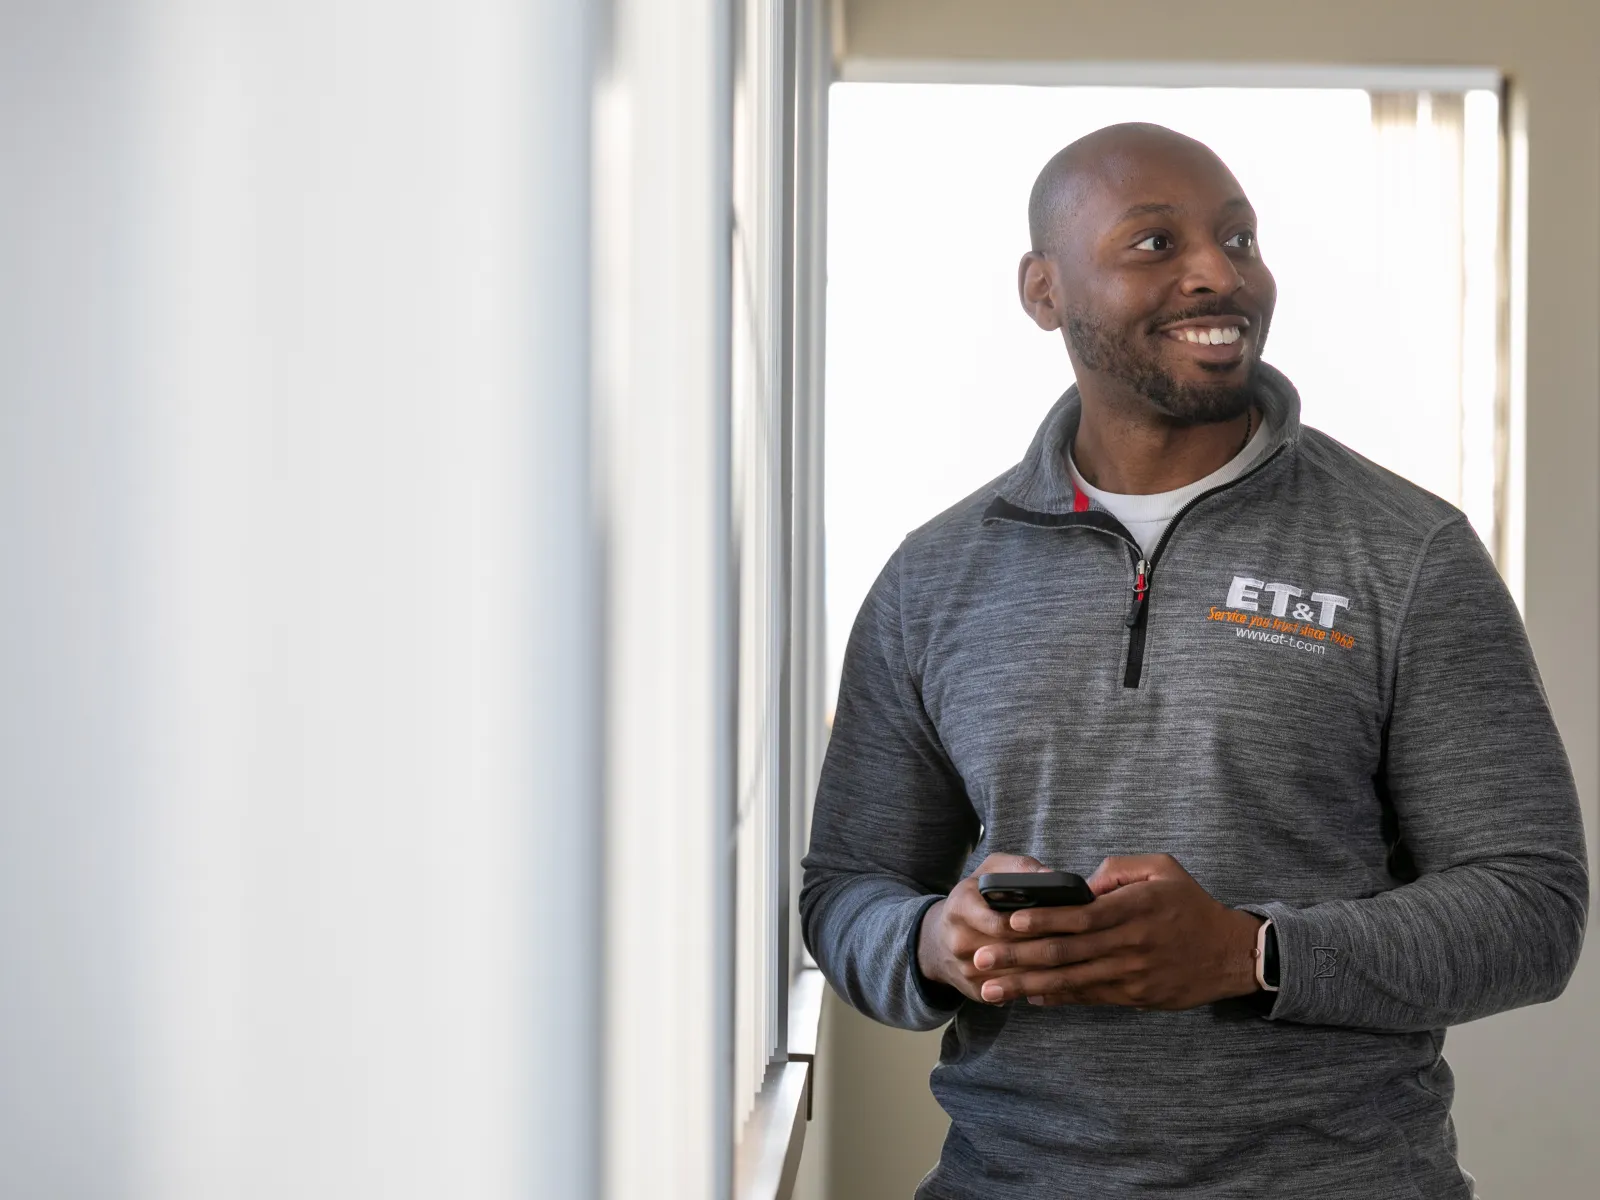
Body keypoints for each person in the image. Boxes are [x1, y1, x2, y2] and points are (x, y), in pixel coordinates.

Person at [799, 122, 1589, 1199]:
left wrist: (1248, 954)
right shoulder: (934, 578)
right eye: (1153, 244)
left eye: (1238, 239)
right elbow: (846, 889)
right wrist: (935, 938)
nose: (1217, 272)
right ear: (1043, 290)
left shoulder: (1406, 552)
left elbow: (1530, 909)